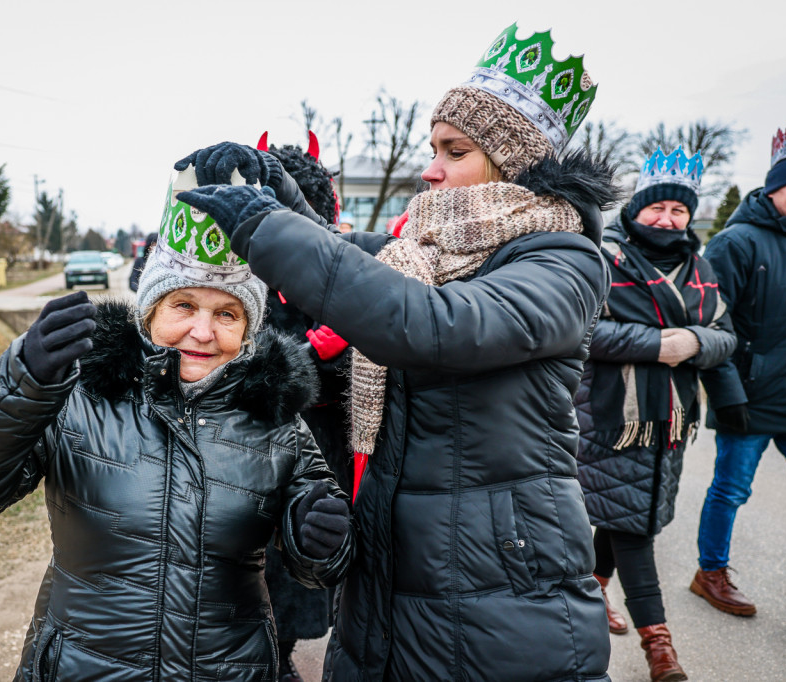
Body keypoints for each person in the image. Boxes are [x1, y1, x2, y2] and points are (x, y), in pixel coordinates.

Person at [175, 23, 616, 681]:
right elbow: (353, 254)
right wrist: (276, 190)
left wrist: (264, 229)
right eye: (432, 148)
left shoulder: (562, 260)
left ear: (513, 162)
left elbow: (435, 325)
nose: (430, 168)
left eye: (453, 151)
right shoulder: (434, 251)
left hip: (500, 582)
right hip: (396, 561)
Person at [0, 166, 354, 681]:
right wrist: (21, 380)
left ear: (249, 326)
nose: (202, 331)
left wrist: (319, 537)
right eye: (184, 305)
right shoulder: (80, 391)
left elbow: (321, 566)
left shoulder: (275, 416)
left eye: (228, 314)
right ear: (150, 309)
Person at [576, 147, 736, 682]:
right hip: (610, 415)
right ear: (636, 209)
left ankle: (592, 592)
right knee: (633, 527)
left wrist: (691, 340)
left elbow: (726, 337)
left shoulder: (702, 268)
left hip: (669, 419)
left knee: (624, 513)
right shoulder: (602, 257)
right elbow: (580, 331)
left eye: (679, 211)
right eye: (657, 208)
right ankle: (659, 647)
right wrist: (655, 345)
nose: (667, 220)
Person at [256, 134, 352, 682]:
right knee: (255, 555)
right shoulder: (243, 273)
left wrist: (333, 356)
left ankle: (285, 649)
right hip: (254, 435)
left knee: (309, 549)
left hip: (324, 437)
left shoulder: (338, 270)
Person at [692, 121, 786, 617]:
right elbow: (713, 321)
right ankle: (710, 571)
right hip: (751, 393)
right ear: (775, 186)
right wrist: (727, 392)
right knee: (731, 488)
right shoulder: (736, 242)